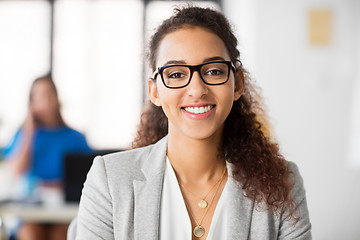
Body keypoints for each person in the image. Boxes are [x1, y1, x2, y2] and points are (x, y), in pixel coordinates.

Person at [76, 6, 311, 240]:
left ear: (237, 84)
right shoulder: (109, 180)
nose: (197, 90)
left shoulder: (282, 182)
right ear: (155, 92)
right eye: (176, 74)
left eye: (214, 71)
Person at [3, 75, 92, 240]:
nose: (44, 100)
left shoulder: (75, 138)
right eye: (38, 96)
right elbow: (15, 171)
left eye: (48, 94)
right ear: (31, 102)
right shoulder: (24, 135)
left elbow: (90, 177)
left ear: (56, 98)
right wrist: (29, 128)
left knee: (61, 234)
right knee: (31, 233)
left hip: (63, 210)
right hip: (31, 211)